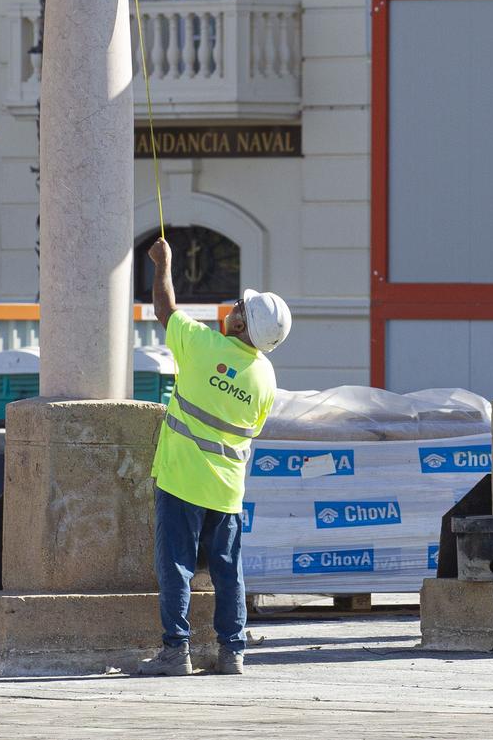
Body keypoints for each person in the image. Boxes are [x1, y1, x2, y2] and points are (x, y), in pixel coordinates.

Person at [135, 237, 288, 676]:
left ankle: (175, 652)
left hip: (182, 478)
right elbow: (252, 428)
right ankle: (232, 652)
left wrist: (163, 263)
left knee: (176, 567)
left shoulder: (203, 347)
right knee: (227, 572)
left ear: (242, 325)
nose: (233, 307)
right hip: (227, 490)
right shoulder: (265, 377)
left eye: (239, 306)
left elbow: (165, 309)